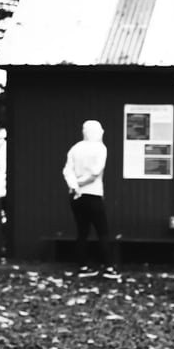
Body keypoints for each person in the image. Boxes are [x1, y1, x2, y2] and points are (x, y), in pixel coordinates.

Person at [63, 120, 119, 280]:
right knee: (102, 231)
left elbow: (67, 170)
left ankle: (82, 266)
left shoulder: (75, 148)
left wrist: (74, 185)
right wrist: (80, 183)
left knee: (82, 232)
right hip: (93, 195)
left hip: (75, 196)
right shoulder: (100, 148)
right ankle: (108, 267)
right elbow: (95, 173)